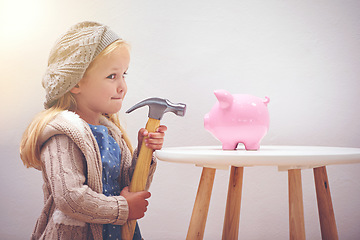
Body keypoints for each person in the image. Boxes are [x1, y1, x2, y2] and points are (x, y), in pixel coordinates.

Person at [20, 21, 167, 240]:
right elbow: (70, 199)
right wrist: (123, 208)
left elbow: (130, 187)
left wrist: (144, 154)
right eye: (112, 76)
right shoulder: (62, 136)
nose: (122, 86)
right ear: (75, 83)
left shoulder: (110, 133)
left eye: (124, 74)